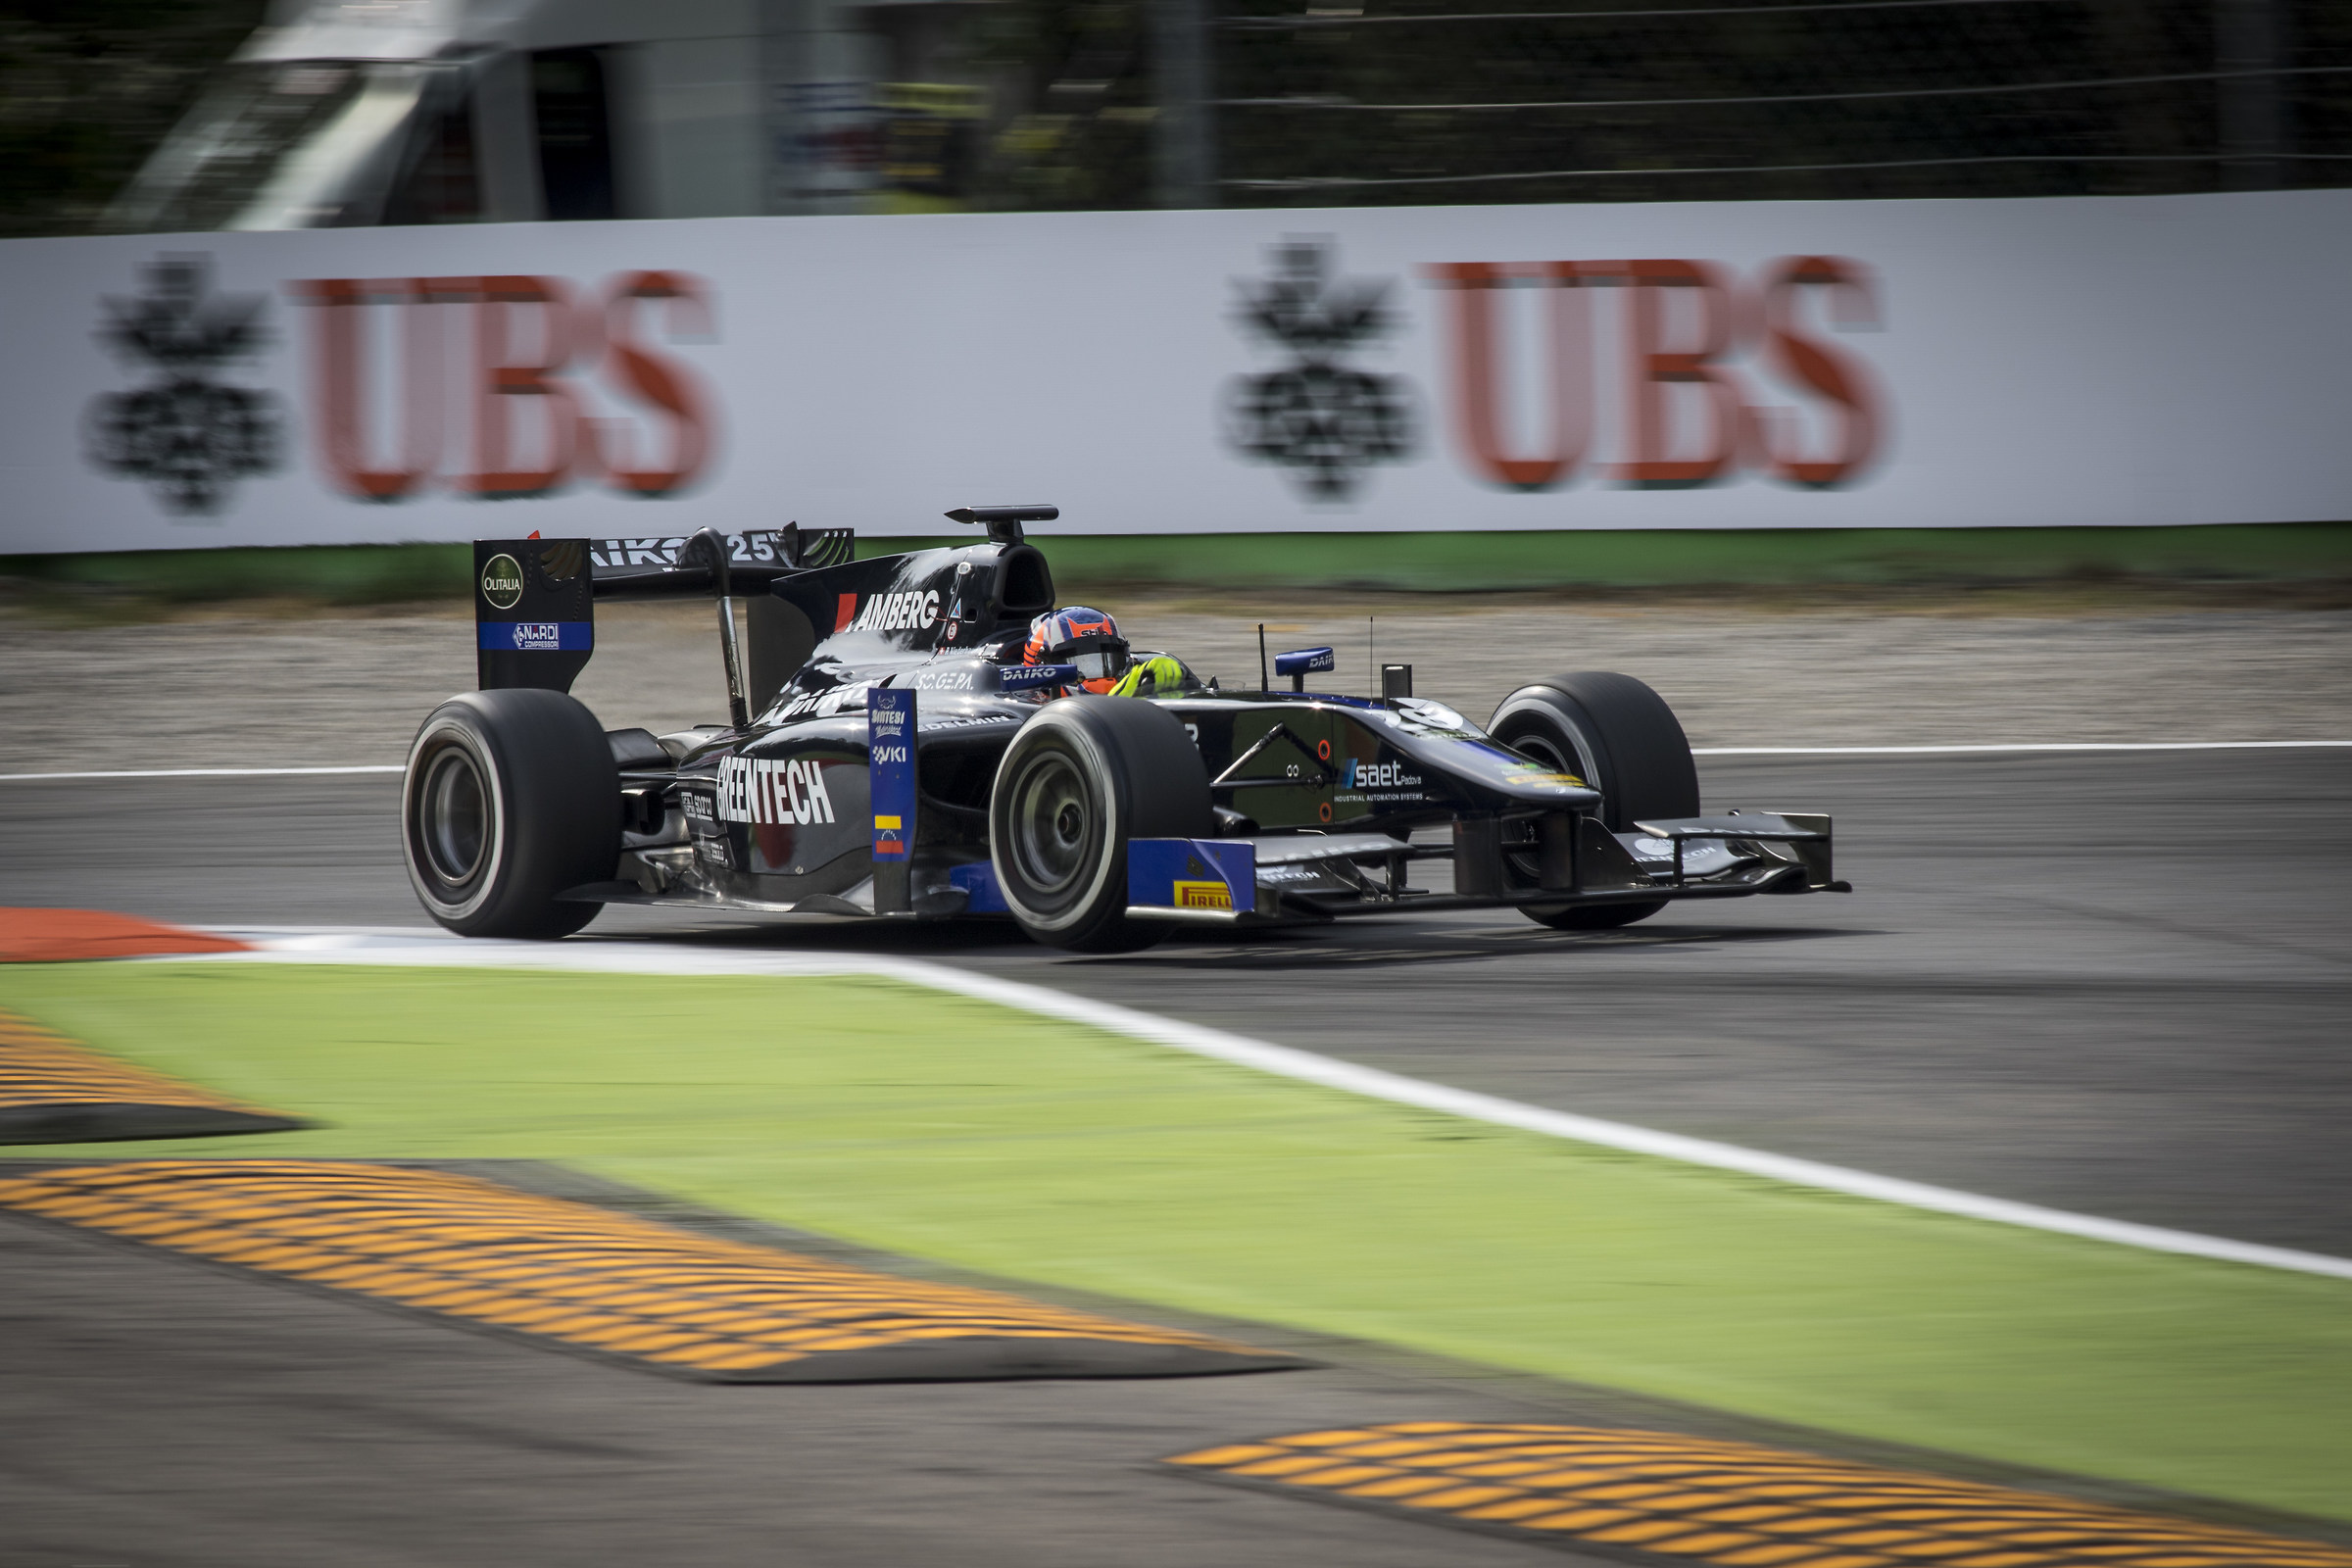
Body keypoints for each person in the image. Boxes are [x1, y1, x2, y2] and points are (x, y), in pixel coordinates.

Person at [1018, 606, 1199, 699]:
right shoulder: (1015, 706)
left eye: (1110, 662)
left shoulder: (1143, 673)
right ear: (1041, 667)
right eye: (1085, 665)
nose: (1103, 680)